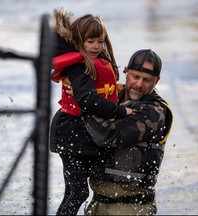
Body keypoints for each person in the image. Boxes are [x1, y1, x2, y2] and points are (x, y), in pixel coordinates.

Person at [49, 8, 132, 216]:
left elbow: (101, 93)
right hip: (71, 133)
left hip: (84, 133)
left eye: (100, 41)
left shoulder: (92, 63)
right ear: (78, 42)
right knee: (77, 192)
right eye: (90, 41)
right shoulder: (77, 67)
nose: (96, 46)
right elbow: (87, 100)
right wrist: (121, 111)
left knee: (87, 187)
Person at [82, 49, 173, 215]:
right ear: (125, 72)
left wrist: (83, 103)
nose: (139, 84)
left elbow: (107, 135)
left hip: (131, 207)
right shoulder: (110, 97)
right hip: (97, 203)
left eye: (147, 80)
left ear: (156, 81)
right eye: (135, 77)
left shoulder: (154, 111)